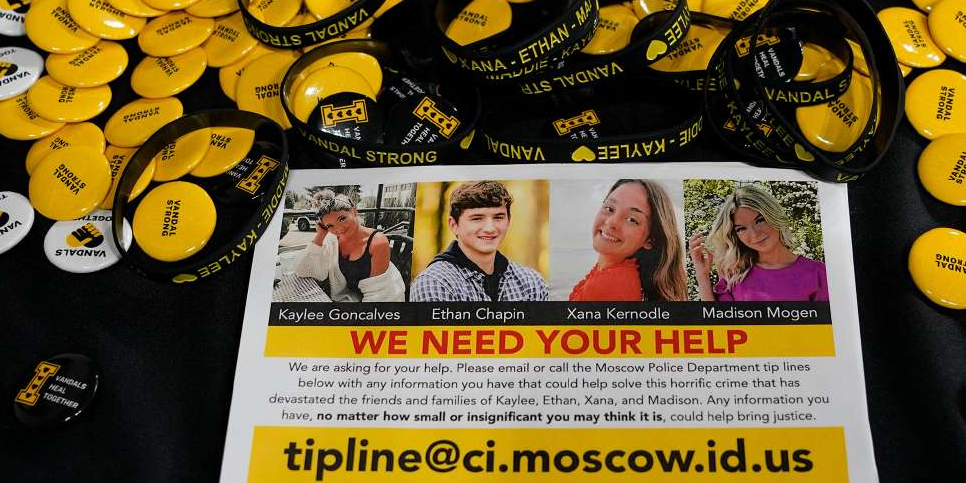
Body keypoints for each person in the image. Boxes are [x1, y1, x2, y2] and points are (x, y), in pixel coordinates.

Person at [689, 184, 828, 302]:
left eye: (760, 220)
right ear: (735, 236)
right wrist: (702, 275)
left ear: (773, 215)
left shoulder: (818, 273)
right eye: (741, 228)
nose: (754, 234)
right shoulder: (734, 275)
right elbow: (717, 326)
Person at [411, 181, 547, 302]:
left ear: (509, 221)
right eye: (477, 218)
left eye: (498, 217)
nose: (490, 228)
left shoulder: (532, 282)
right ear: (454, 225)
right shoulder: (435, 283)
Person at [569, 179, 687, 302]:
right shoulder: (618, 276)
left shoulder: (609, 285)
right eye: (609, 209)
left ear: (650, 240)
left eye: (632, 220)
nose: (611, 222)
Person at [292, 190, 405, 302]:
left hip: (385, 300)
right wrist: (320, 235)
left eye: (342, 219)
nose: (338, 229)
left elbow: (378, 296)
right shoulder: (332, 239)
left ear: (354, 211)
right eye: (330, 225)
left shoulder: (378, 241)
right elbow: (302, 270)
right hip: (353, 297)